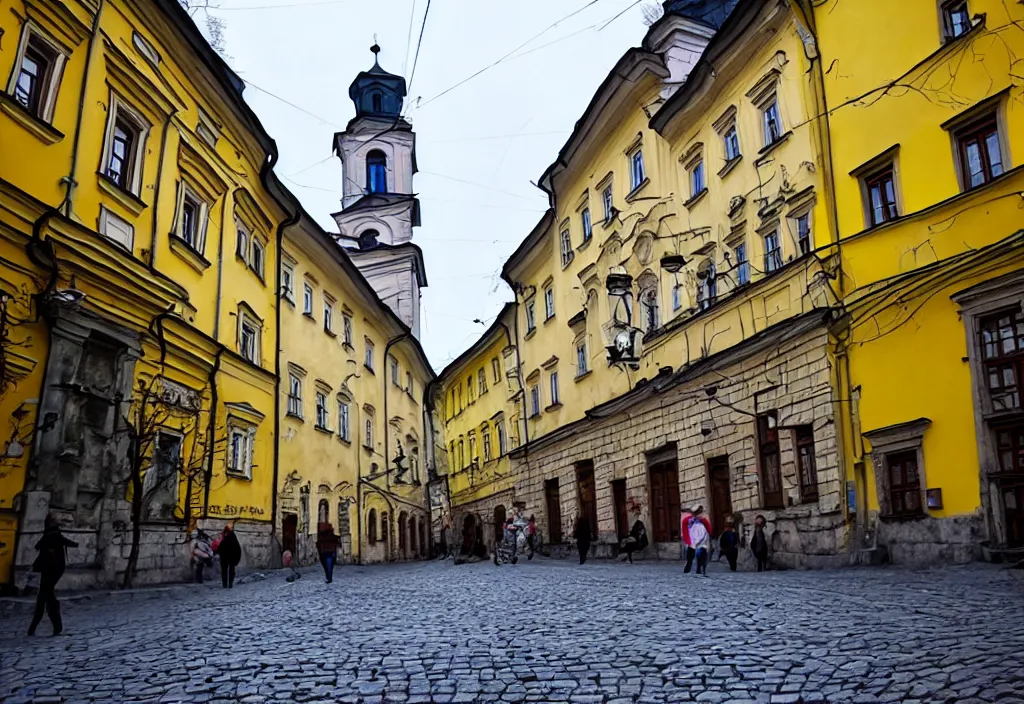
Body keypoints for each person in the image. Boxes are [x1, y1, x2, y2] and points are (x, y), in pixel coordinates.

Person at [28, 514, 78, 636]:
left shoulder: (49, 536)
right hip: (54, 571)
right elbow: (72, 543)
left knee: (44, 598)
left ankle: (35, 628)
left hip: (48, 571)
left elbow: (37, 547)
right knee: (47, 599)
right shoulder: (55, 536)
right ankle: (54, 627)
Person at [681, 505, 712, 576]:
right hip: (692, 540)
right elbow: (685, 530)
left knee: (701, 554)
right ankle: (688, 567)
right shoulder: (688, 520)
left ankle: (699, 568)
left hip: (702, 540)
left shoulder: (703, 520)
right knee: (690, 555)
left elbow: (709, 529)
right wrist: (687, 540)